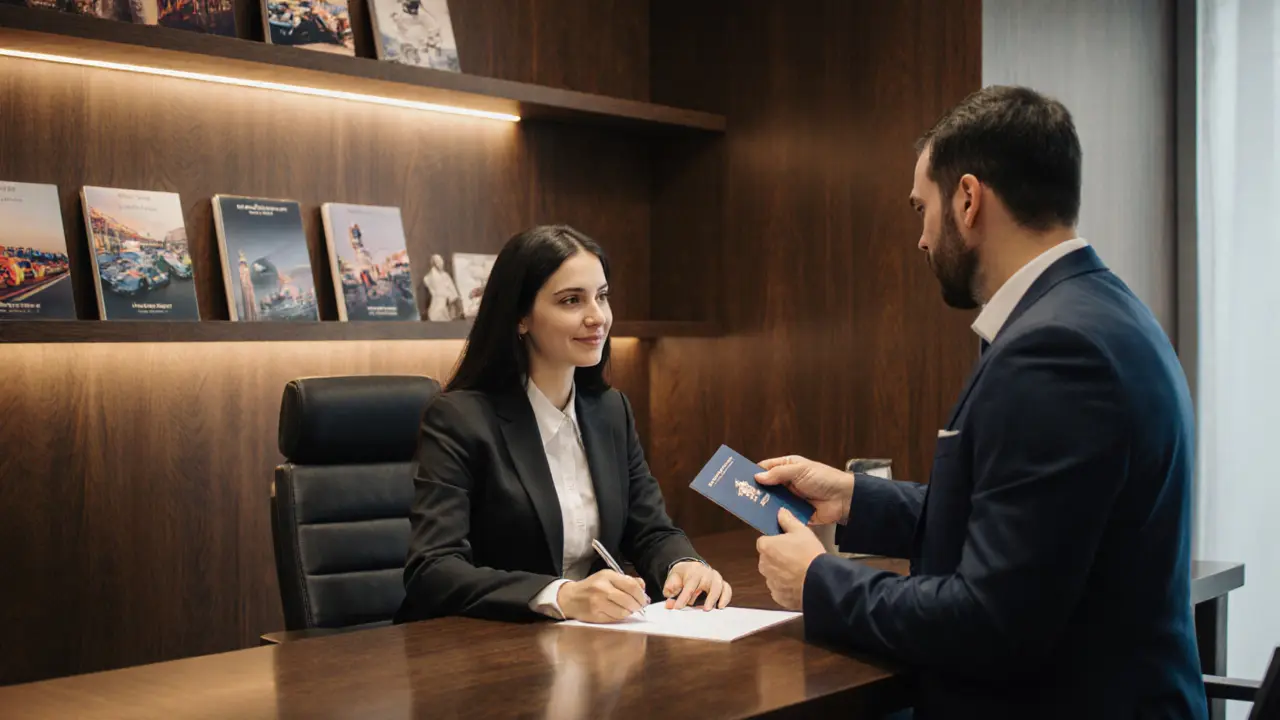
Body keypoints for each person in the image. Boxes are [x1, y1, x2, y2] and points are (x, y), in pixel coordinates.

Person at [753, 86, 1207, 719]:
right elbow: (1026, 519)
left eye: (923, 208)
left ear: (968, 200)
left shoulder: (1054, 351)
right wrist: (855, 498)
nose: (921, 238)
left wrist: (817, 581)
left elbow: (990, 623)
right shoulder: (1101, 311)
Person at [396, 225, 731, 624]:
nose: (597, 317)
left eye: (601, 296)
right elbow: (432, 568)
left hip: (591, 641)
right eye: (572, 300)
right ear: (521, 317)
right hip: (483, 643)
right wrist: (560, 595)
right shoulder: (459, 418)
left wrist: (683, 565)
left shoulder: (610, 411)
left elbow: (651, 530)